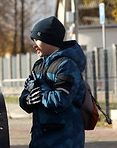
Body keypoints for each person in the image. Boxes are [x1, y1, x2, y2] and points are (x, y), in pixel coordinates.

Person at [19, 16, 86, 148]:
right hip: (40, 138)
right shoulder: (38, 66)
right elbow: (25, 96)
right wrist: (27, 100)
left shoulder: (67, 65)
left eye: (37, 39)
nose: (34, 45)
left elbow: (61, 99)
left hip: (64, 140)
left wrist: (39, 91)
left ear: (49, 39)